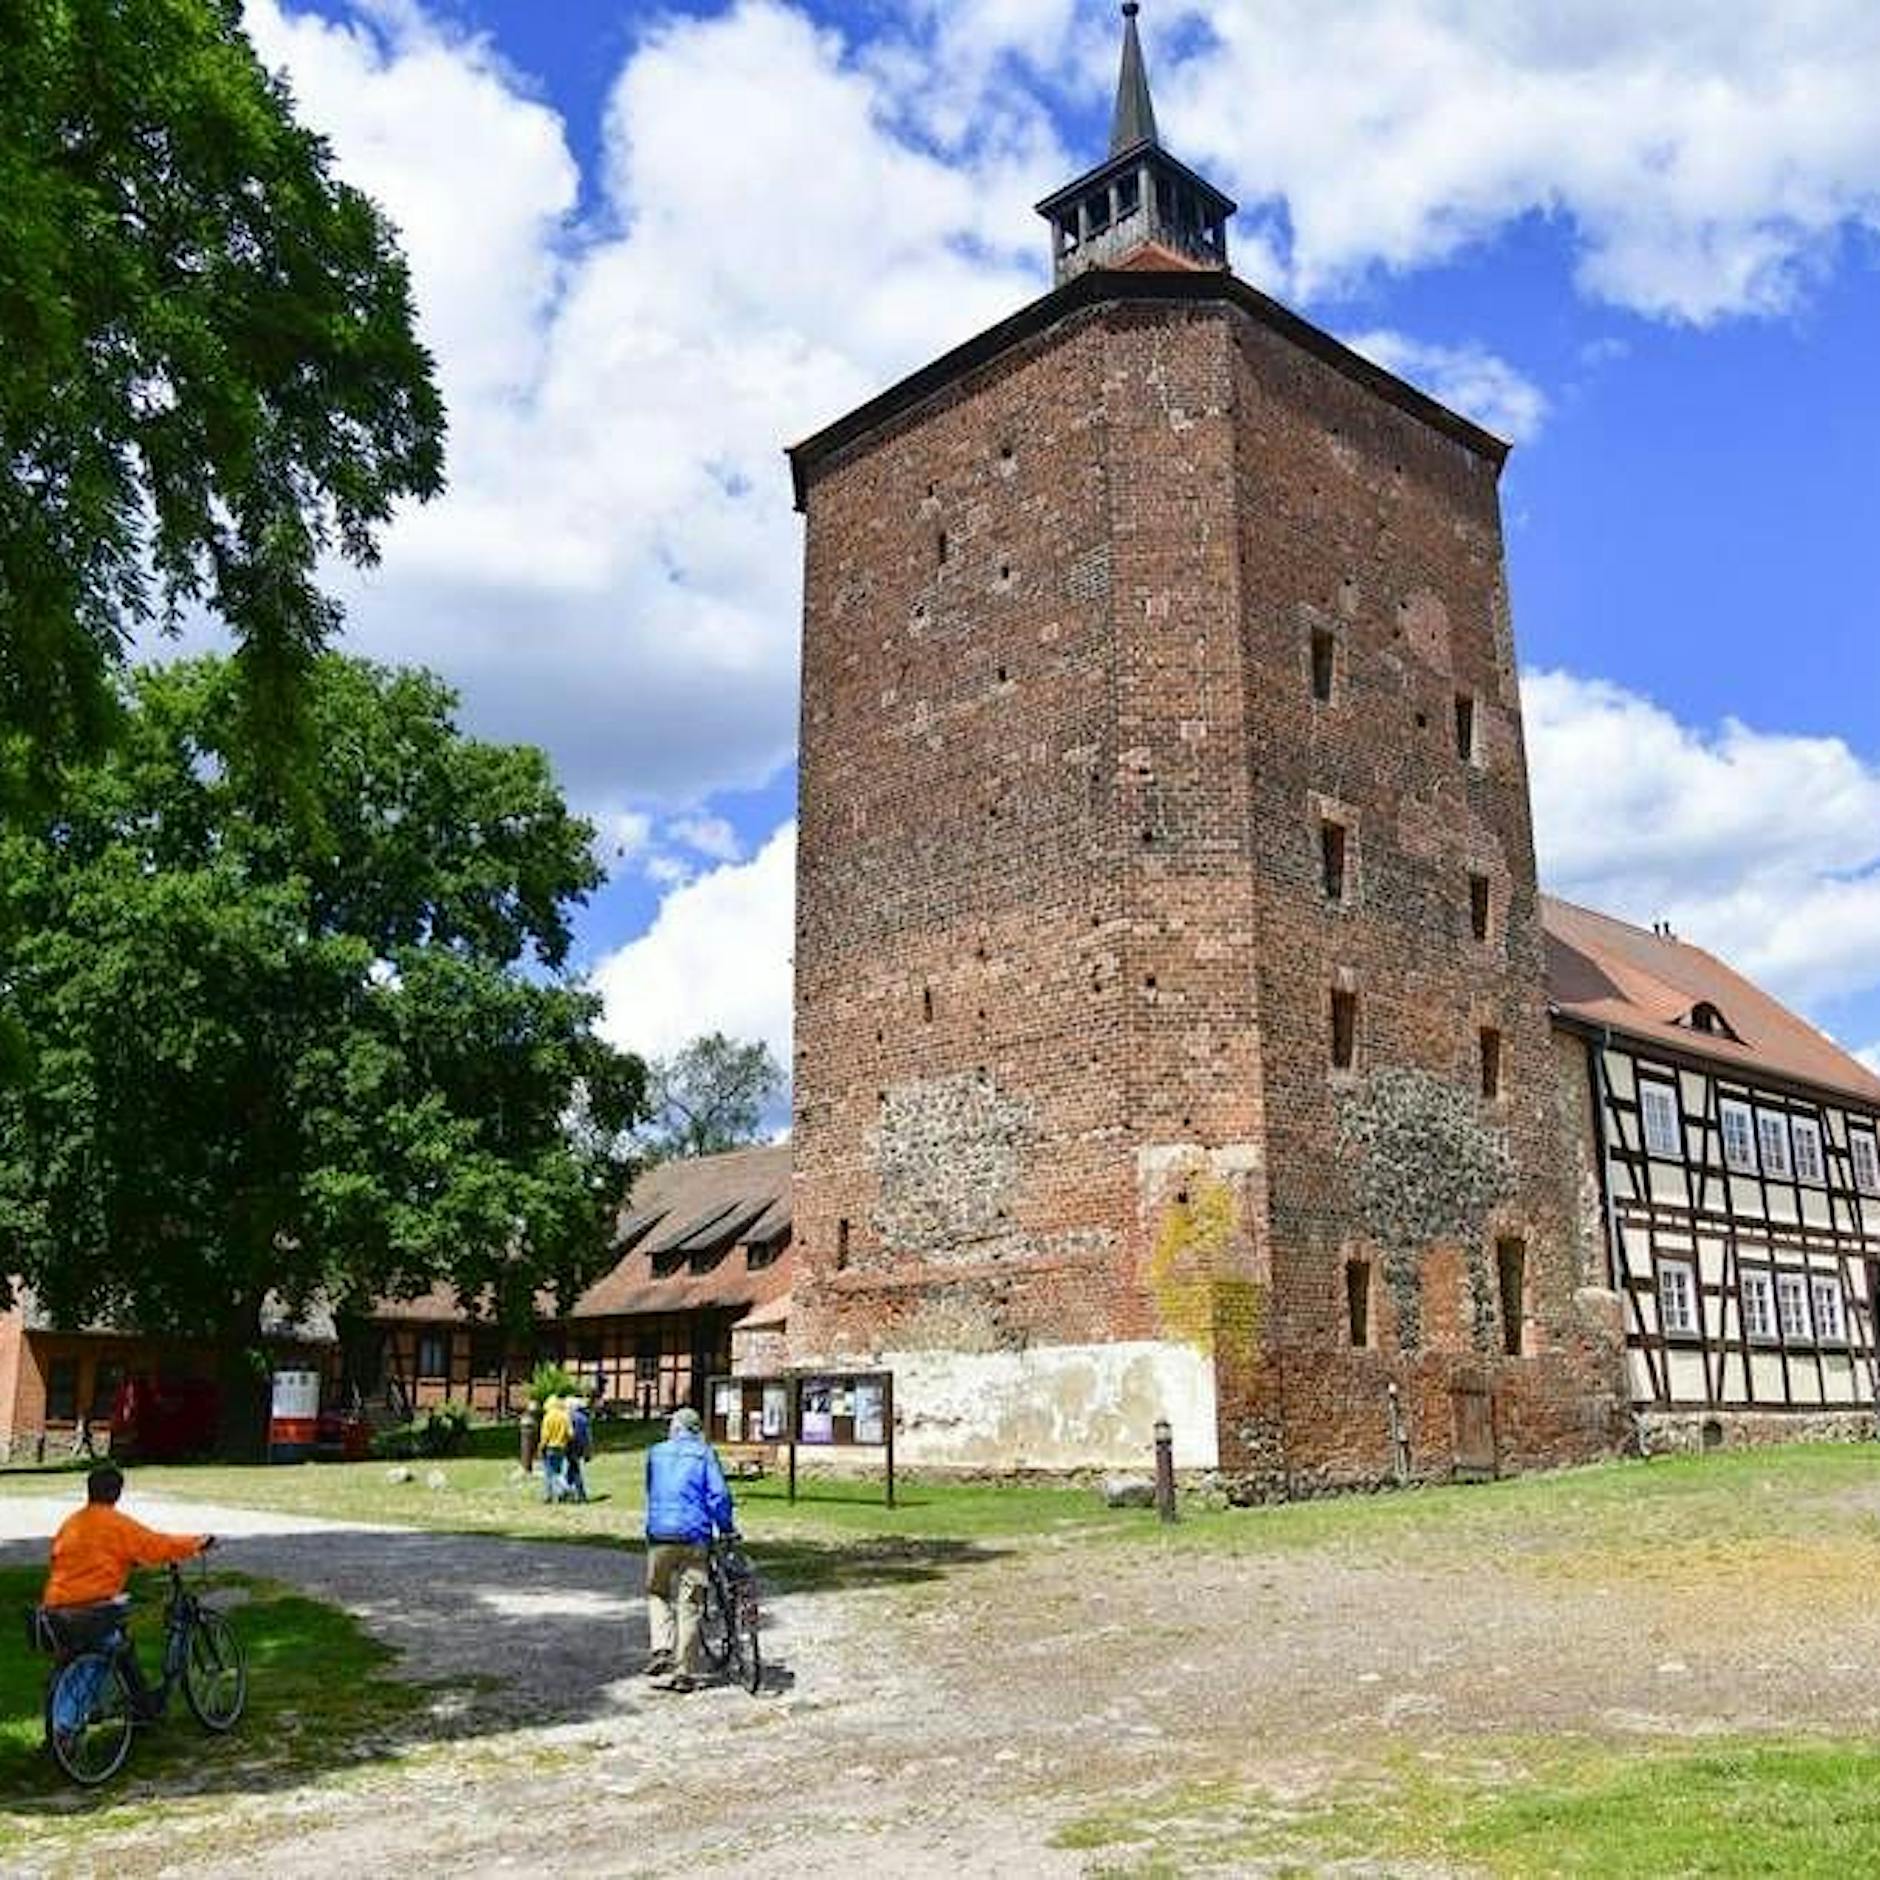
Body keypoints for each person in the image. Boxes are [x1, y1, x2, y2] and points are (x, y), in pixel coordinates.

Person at [41, 1465, 213, 1719]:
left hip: (55, 1607)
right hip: (91, 1608)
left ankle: (139, 1703)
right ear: (117, 1492)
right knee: (111, 1646)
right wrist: (196, 1543)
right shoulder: (117, 1524)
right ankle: (83, 1719)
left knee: (118, 1644)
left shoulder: (71, 1523)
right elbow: (155, 1544)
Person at [642, 1406, 735, 1692]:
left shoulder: (656, 1452)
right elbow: (718, 1495)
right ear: (697, 1430)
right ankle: (684, 1671)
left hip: (660, 1532)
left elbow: (651, 1489)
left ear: (674, 1428)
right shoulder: (704, 1453)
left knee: (658, 1591)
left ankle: (661, 1647)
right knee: (690, 1602)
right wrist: (726, 1527)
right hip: (695, 1535)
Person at [538, 1392, 573, 1503]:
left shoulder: (548, 1417)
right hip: (562, 1447)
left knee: (550, 1473)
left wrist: (541, 1447)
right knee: (559, 1471)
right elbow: (570, 1434)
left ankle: (552, 1494)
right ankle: (560, 1495)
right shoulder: (565, 1416)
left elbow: (545, 1435)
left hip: (550, 1447)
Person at [564, 1391, 593, 1504]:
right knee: (572, 1469)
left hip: (572, 1446)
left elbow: (569, 1433)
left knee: (575, 1470)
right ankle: (567, 1493)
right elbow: (588, 1436)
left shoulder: (571, 1417)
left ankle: (580, 1495)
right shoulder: (584, 1418)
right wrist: (588, 1451)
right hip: (581, 1447)